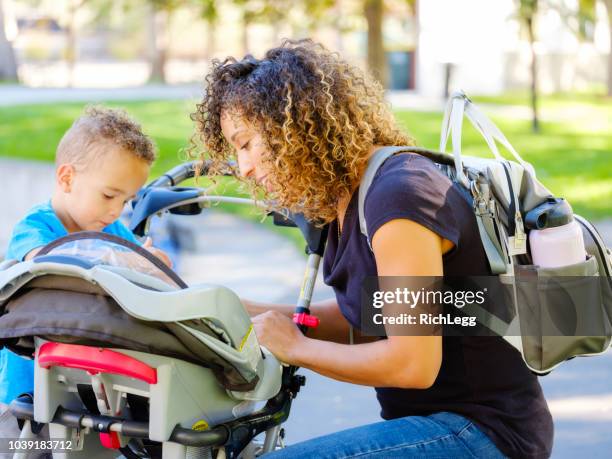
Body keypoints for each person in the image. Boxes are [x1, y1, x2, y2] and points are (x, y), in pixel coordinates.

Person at [193, 40, 553, 458]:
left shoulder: (398, 196)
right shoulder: (349, 198)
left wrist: (297, 347)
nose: (244, 169)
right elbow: (368, 318)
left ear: (291, 125)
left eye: (246, 143)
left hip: (481, 432)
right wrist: (238, 310)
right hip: (433, 424)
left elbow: (412, 363)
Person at [0, 105, 170, 424]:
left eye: (125, 201)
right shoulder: (36, 227)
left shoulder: (112, 232)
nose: (116, 211)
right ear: (67, 178)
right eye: (108, 196)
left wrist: (152, 263)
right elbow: (45, 263)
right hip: (24, 392)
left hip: (89, 385)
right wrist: (117, 259)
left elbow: (143, 269)